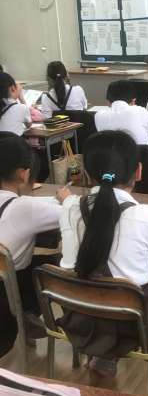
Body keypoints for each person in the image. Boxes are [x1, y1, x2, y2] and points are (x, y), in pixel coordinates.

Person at [58, 130, 148, 394]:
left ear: (86, 173)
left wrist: (66, 199)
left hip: (81, 317)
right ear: (138, 172)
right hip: (132, 324)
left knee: (102, 283)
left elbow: (74, 205)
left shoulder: (70, 207)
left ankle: (104, 357)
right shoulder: (144, 216)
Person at [0, 133, 69, 356]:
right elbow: (75, 214)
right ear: (24, 174)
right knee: (58, 263)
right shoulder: (24, 208)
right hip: (6, 301)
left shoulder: (24, 206)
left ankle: (27, 314)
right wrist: (67, 199)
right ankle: (26, 313)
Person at [95, 80, 148, 147]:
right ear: (133, 101)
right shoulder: (139, 110)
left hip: (110, 155)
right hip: (139, 154)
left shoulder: (98, 115)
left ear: (108, 102)